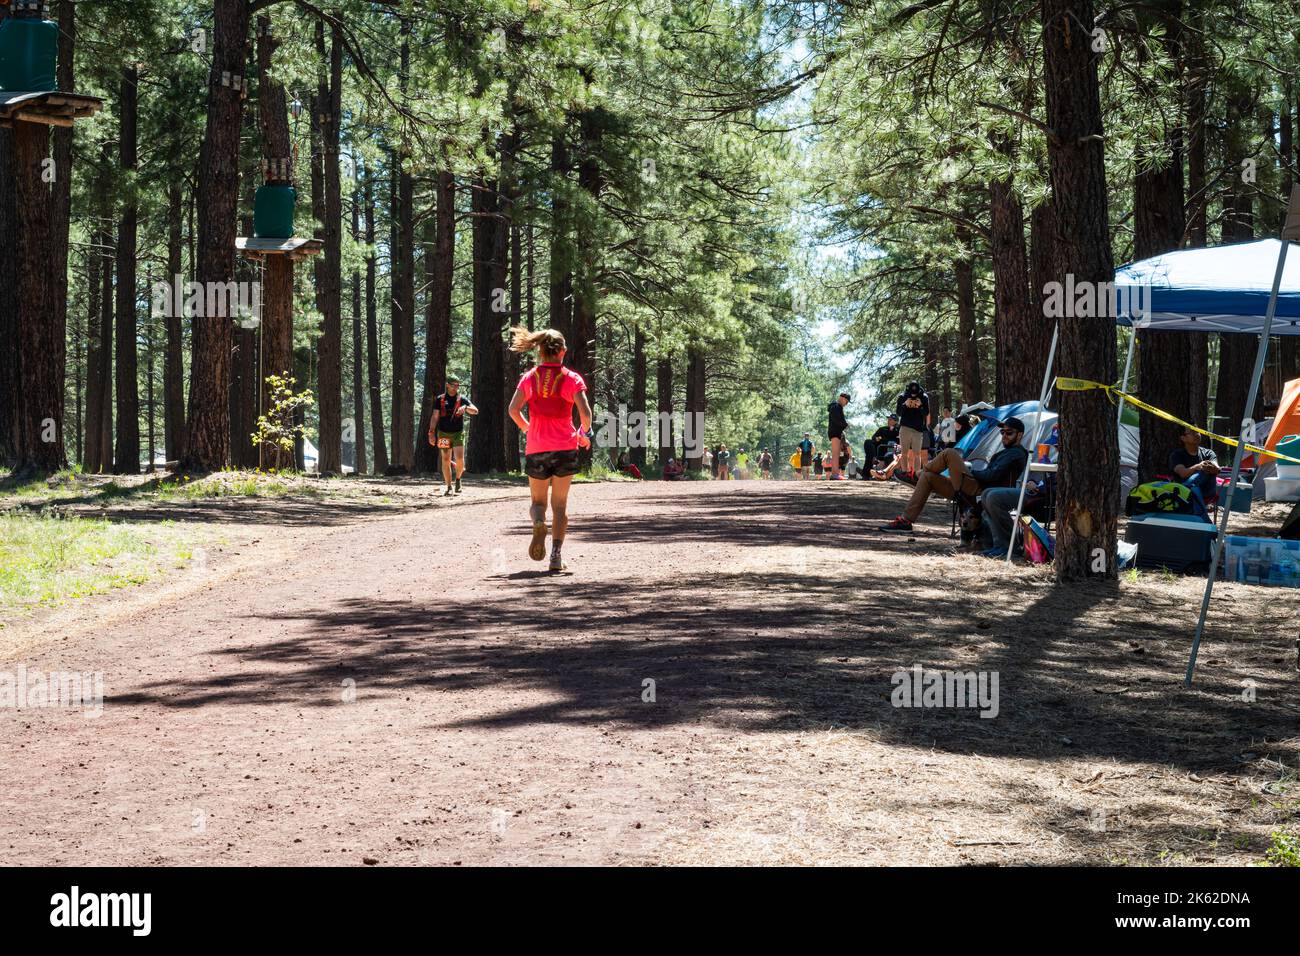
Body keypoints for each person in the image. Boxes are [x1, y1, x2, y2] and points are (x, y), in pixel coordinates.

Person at [507, 327, 593, 572]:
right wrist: (583, 434)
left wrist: (528, 429)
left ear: (541, 351)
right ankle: (555, 556)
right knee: (560, 506)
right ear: (562, 352)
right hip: (565, 446)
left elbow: (513, 410)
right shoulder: (571, 378)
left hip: (537, 447)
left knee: (538, 502)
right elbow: (585, 414)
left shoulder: (529, 377)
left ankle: (537, 522)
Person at [880, 417, 1029, 533]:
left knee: (949, 453)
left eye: (1009, 433)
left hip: (982, 491)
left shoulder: (1016, 453)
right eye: (1002, 432)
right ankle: (906, 521)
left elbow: (991, 476)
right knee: (928, 478)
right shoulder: (1008, 452)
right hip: (976, 488)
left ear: (1020, 435)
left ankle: (917, 474)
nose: (1004, 436)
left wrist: (970, 472)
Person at [428, 374, 478, 496]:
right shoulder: (440, 399)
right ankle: (448, 486)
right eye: (453, 385)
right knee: (445, 459)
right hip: (443, 433)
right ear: (447, 385)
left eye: (457, 385)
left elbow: (475, 411)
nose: (456, 387)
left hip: (458, 433)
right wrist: (431, 433)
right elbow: (435, 417)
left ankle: (458, 479)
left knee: (460, 459)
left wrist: (465, 408)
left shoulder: (462, 399)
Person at [1170, 427, 1221, 506]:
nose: (1196, 434)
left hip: (1204, 492)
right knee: (1202, 470)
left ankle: (1186, 489)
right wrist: (1198, 466)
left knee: (1205, 470)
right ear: (1183, 438)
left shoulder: (1208, 453)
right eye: (1192, 432)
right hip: (1186, 493)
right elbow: (1183, 473)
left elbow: (1217, 468)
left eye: (1198, 432)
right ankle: (1187, 489)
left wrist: (1211, 467)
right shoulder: (1177, 455)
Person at [895, 381, 931, 480]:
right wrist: (905, 405)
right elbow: (898, 413)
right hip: (905, 427)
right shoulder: (902, 396)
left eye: (915, 393)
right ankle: (904, 472)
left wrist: (920, 406)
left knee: (917, 453)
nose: (913, 395)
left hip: (918, 429)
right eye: (912, 393)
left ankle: (916, 474)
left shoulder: (924, 397)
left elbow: (926, 413)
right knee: (904, 452)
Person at [827, 392, 851, 480]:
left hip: (835, 431)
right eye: (847, 402)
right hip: (834, 432)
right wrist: (845, 424)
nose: (846, 404)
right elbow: (837, 419)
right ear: (843, 398)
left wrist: (844, 424)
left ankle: (835, 473)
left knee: (836, 453)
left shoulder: (836, 407)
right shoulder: (836, 407)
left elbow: (838, 419)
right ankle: (834, 474)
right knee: (835, 453)